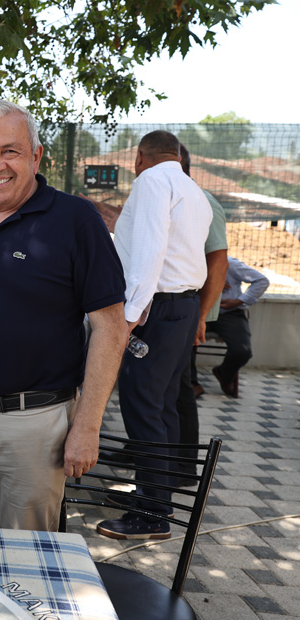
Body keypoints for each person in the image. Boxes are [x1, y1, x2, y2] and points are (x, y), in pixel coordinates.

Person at [0, 99, 127, 532]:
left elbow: (111, 328)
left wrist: (88, 426)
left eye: (10, 151)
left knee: (29, 553)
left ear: (36, 156)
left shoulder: (75, 221)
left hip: (35, 423)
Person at [98, 130, 211, 541]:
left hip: (156, 309)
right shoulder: (193, 190)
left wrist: (129, 316)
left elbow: (150, 250)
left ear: (139, 158)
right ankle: (156, 496)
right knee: (163, 407)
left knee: (143, 406)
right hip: (183, 306)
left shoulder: (151, 181)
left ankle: (151, 513)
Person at [175, 145, 227, 485]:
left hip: (185, 312)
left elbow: (218, 260)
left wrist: (200, 316)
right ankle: (154, 456)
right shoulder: (178, 197)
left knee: (179, 388)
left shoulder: (201, 200)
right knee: (168, 389)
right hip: (175, 313)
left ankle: (181, 468)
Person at [207, 256, 269, 397]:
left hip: (228, 313)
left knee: (242, 351)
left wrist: (239, 301)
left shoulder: (231, 264)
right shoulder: (192, 263)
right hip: (199, 312)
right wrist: (208, 281)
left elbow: (262, 281)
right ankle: (191, 383)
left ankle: (224, 374)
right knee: (181, 343)